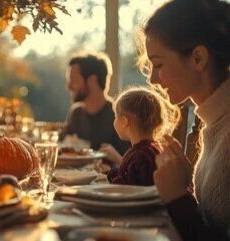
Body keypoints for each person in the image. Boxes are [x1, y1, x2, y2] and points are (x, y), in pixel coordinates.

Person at [139, 0, 230, 240]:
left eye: (158, 64)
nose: (153, 80)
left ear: (198, 58)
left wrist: (177, 196)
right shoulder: (211, 121)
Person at [107, 87, 180, 186]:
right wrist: (109, 173)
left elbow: (130, 187)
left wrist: (110, 181)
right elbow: (128, 174)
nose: (114, 120)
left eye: (115, 116)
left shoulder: (140, 155)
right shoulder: (153, 149)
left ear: (124, 121)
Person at [62, 51, 130, 156]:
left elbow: (128, 162)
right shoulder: (76, 114)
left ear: (92, 80)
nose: (68, 86)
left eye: (73, 79)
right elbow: (62, 149)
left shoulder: (119, 115)